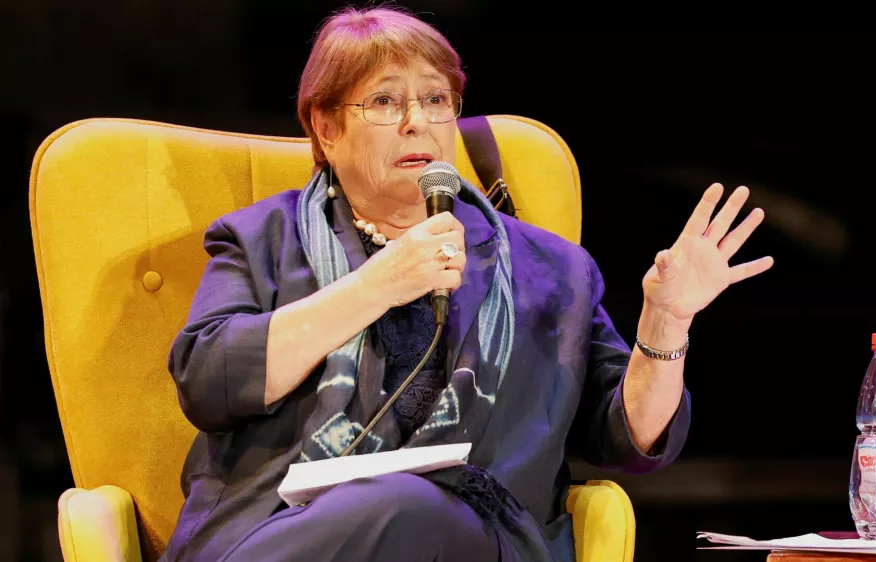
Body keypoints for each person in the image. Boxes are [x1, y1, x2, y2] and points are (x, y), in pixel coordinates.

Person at [159, 5, 774, 562]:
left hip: (478, 536)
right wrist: (376, 284)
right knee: (397, 507)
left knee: (414, 507)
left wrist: (666, 325)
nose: (416, 123)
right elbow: (210, 381)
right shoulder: (260, 240)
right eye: (382, 102)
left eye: (436, 101)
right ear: (324, 128)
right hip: (287, 527)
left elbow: (627, 436)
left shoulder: (551, 268)